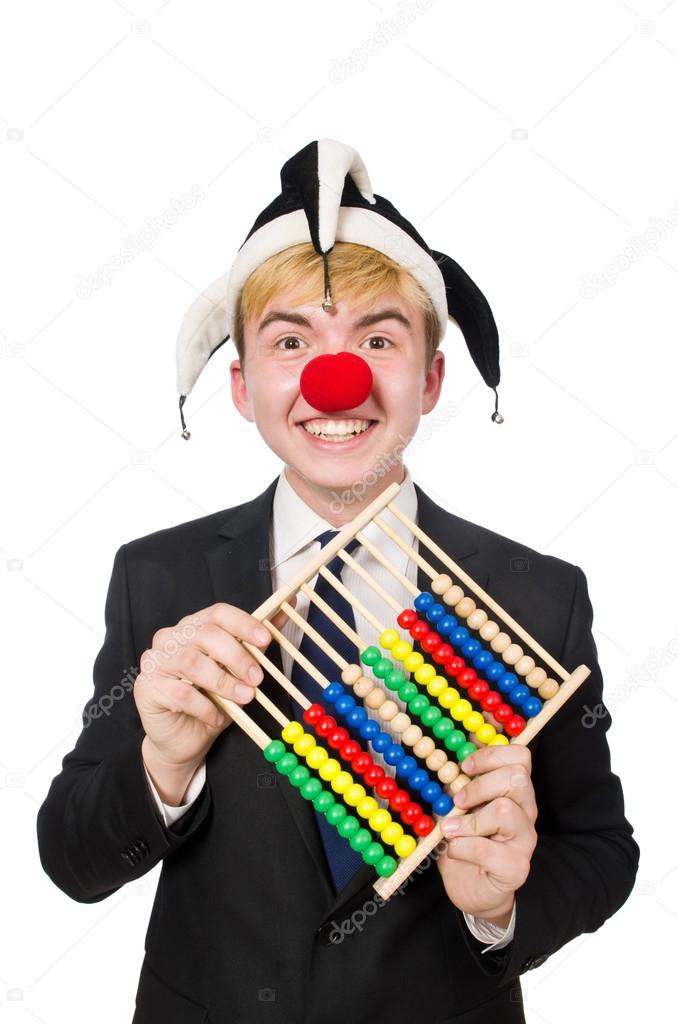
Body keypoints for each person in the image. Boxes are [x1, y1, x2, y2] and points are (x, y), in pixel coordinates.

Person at [37, 140, 639, 1023]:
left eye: (379, 338)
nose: (336, 378)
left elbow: (600, 849)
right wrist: (162, 766)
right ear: (241, 387)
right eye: (291, 340)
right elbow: (71, 856)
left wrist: (500, 912)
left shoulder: (535, 595)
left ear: (431, 378)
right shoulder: (159, 578)